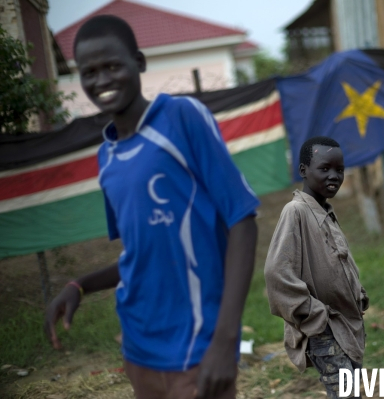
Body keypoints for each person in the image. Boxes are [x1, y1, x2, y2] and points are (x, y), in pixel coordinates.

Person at [43, 15, 259, 399]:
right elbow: (141, 253)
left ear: (138, 63)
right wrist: (80, 285)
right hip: (139, 345)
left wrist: (226, 340)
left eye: (112, 66)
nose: (102, 80)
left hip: (197, 345)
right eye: (89, 72)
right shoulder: (107, 158)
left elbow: (242, 220)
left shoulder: (181, 118)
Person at [264, 136, 369, 399]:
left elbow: (337, 262)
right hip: (324, 328)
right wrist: (313, 313)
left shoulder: (325, 212)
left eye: (339, 170)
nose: (334, 176)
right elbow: (276, 273)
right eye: (324, 169)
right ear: (303, 171)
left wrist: (359, 293)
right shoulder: (295, 211)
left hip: (346, 324)